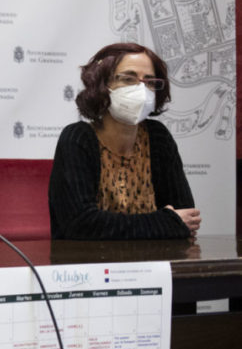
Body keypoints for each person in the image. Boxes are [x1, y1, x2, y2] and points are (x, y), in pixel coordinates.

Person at [49, 42, 200, 240]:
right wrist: (165, 222)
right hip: (90, 264)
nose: (141, 89)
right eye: (128, 79)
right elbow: (80, 225)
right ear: (103, 85)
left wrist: (170, 223)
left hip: (153, 264)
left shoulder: (158, 137)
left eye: (149, 82)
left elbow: (186, 218)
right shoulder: (77, 139)